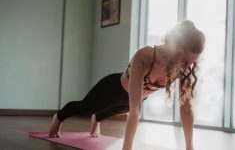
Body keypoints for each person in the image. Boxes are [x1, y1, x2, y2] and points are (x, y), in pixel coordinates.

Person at [48, 20, 205, 150]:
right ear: (175, 47)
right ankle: (58, 118)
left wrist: (189, 147)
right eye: (184, 61)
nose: (186, 68)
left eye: (191, 63)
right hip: (111, 89)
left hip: (129, 101)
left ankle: (96, 120)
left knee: (113, 110)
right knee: (86, 107)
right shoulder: (146, 56)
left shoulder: (181, 70)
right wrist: (127, 148)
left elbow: (186, 108)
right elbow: (135, 110)